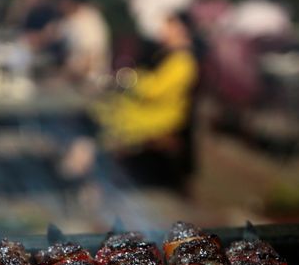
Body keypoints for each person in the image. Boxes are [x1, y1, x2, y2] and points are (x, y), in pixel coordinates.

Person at [61, 13, 200, 189]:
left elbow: (154, 90)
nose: (162, 31)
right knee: (92, 120)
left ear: (181, 29)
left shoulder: (183, 61)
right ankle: (81, 173)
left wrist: (132, 79)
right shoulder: (168, 56)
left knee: (95, 128)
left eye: (168, 26)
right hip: (140, 111)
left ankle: (81, 176)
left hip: (153, 117)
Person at [58, 0, 111, 85]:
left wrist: (73, 73)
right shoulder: (68, 20)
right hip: (73, 75)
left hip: (91, 78)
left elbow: (93, 53)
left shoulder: (90, 18)